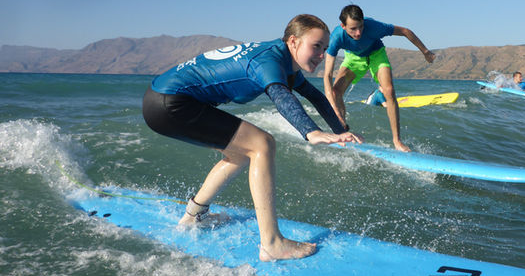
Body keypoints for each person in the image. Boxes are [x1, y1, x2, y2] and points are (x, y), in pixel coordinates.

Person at [142, 14, 363, 262]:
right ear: (293, 42)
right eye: (316, 46)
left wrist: (340, 130)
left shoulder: (285, 61)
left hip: (162, 99)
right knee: (262, 144)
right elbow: (281, 97)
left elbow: (316, 97)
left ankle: (194, 215)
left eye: (325, 48)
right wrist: (311, 133)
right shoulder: (268, 62)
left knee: (241, 152)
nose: (322, 55)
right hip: (169, 103)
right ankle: (271, 243)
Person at [323, 4, 435, 152]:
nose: (358, 33)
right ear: (343, 26)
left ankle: (397, 141)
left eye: (361, 27)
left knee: (388, 90)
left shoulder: (373, 26)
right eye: (353, 29)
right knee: (336, 91)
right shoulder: (336, 37)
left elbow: (405, 31)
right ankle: (343, 132)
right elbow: (327, 76)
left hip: (376, 54)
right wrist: (336, 112)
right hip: (354, 58)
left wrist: (425, 52)